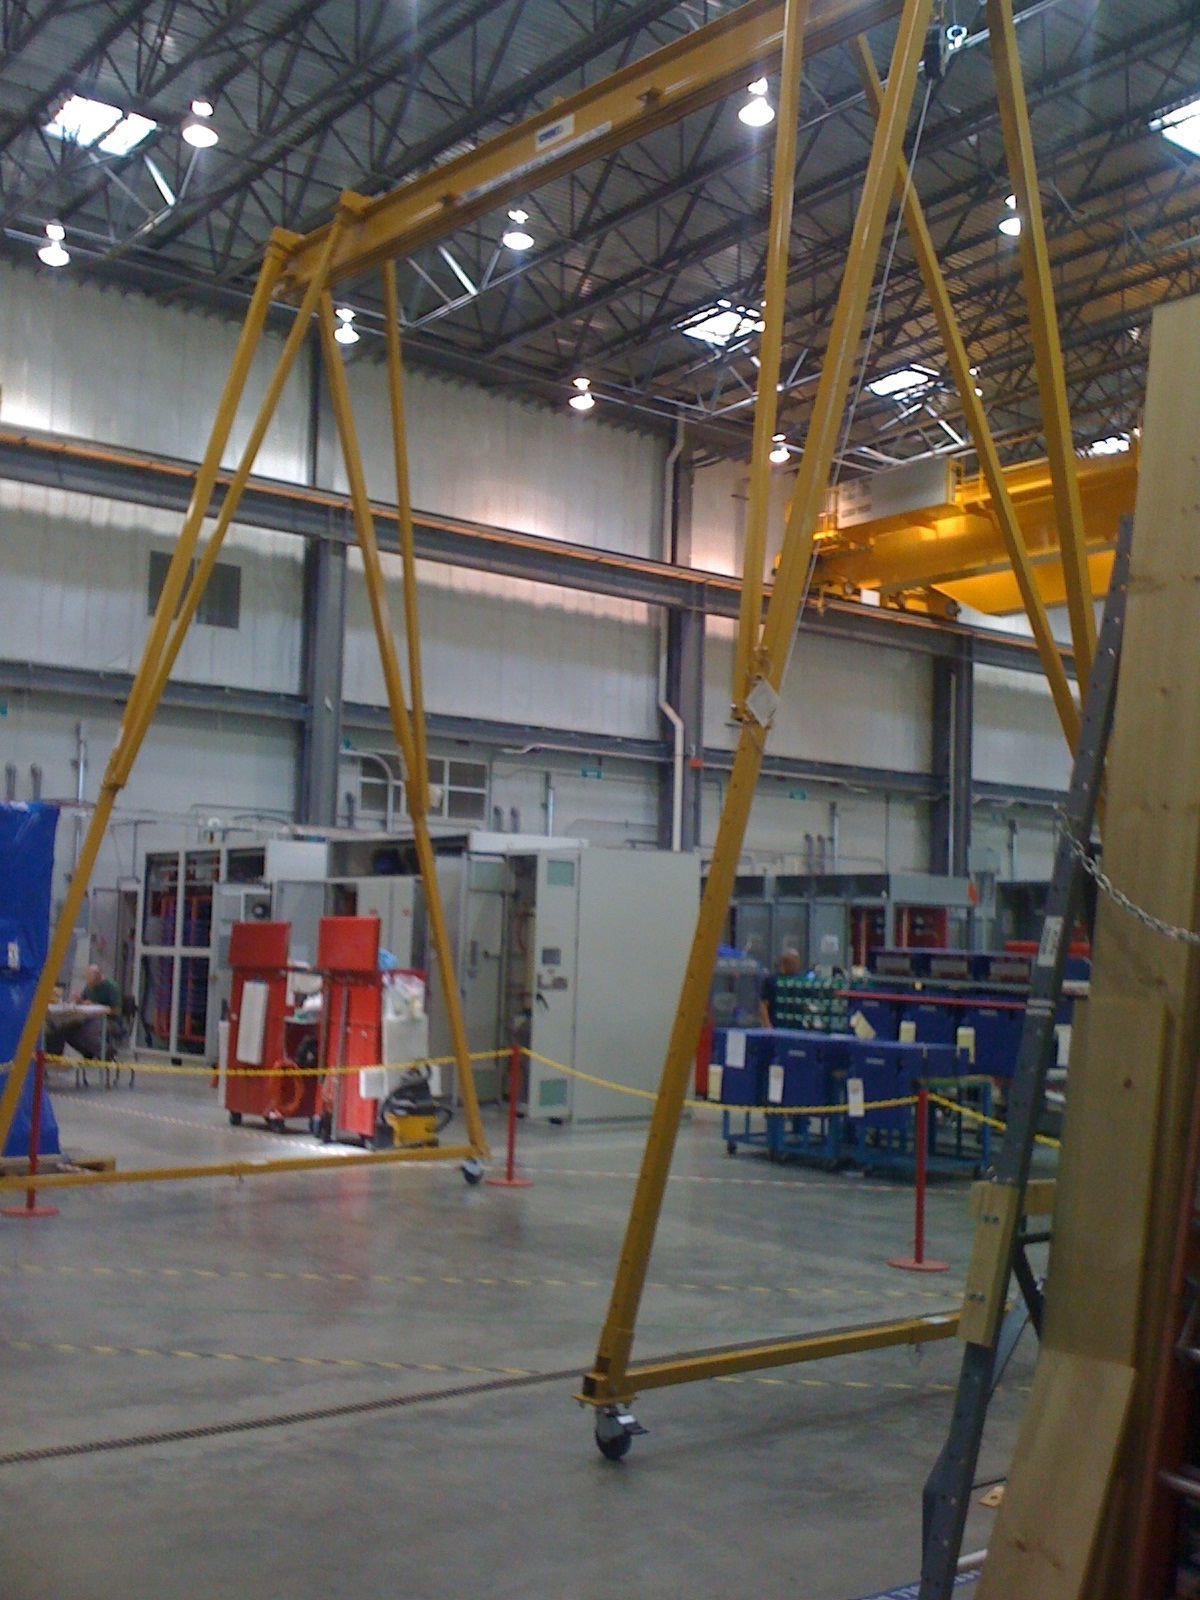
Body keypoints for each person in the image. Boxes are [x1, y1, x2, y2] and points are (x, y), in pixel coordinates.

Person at [45, 964, 123, 1063]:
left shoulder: (111, 987)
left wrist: (96, 1006)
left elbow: (116, 1010)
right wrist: (78, 1000)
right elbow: (84, 1001)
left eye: (92, 983)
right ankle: (86, 1052)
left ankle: (107, 1053)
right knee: (67, 1029)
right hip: (88, 1017)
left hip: (109, 1020)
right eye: (88, 982)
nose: (90, 985)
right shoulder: (89, 987)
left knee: (89, 1031)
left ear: (98, 978)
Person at [759, 949, 803, 1028]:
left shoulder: (800, 981)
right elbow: (763, 1004)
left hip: (796, 1027)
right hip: (776, 1026)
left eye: (797, 963)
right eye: (793, 963)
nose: (796, 966)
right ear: (785, 963)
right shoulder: (771, 981)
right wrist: (767, 1025)